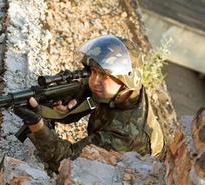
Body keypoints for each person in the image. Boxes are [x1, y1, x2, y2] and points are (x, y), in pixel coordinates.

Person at [14, 35, 164, 172]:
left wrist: (36, 124)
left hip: (126, 174)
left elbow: (67, 163)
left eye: (104, 75)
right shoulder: (121, 91)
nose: (94, 81)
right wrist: (72, 99)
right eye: (92, 71)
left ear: (125, 80)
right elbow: (85, 87)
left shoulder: (125, 136)